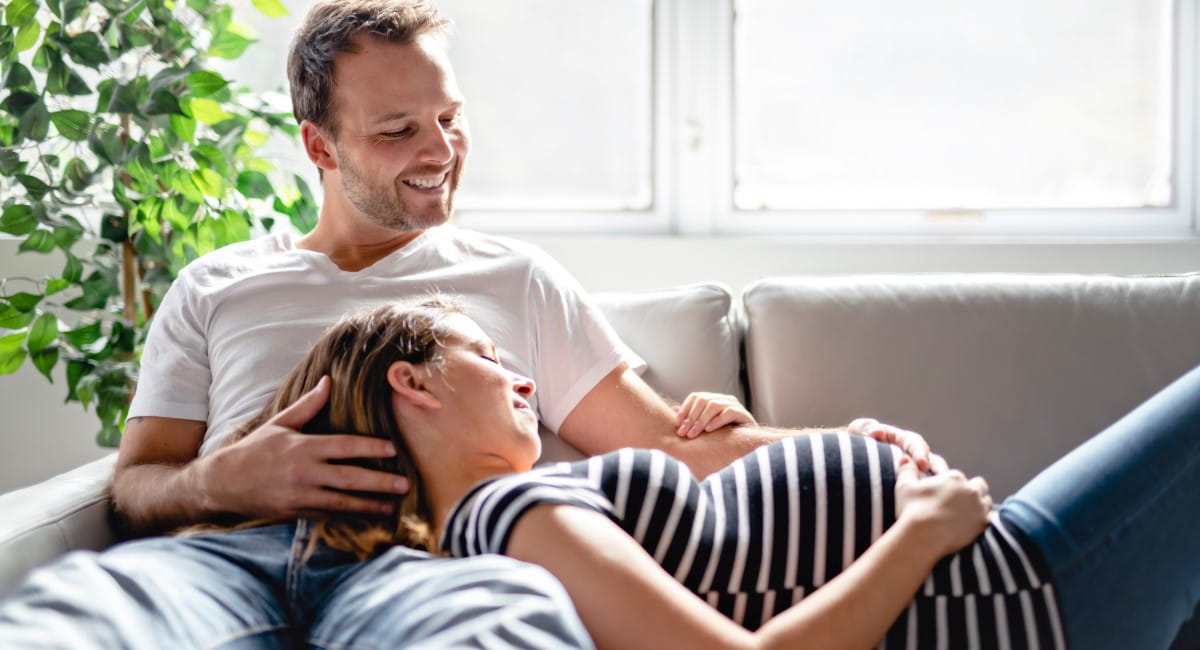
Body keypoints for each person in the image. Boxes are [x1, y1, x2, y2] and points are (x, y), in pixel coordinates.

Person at [0, 1, 936, 647]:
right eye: (400, 129)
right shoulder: (218, 285)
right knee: (80, 622)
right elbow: (135, 488)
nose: (440, 153)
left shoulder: (513, 277)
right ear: (318, 146)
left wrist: (848, 442)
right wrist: (216, 479)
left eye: (450, 119)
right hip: (224, 559)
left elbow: (669, 443)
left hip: (428, 566)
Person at [220, 297, 1199, 650]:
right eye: (485, 355)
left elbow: (740, 544)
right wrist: (921, 529)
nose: (523, 377)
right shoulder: (509, 509)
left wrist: (843, 450)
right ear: (411, 384)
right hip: (1020, 591)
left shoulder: (518, 506)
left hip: (1008, 570)